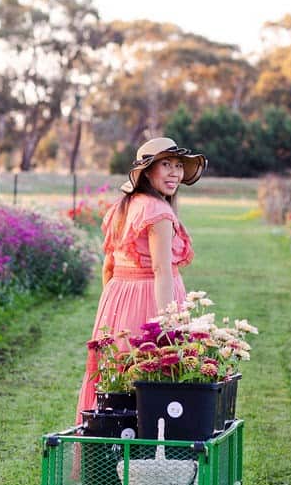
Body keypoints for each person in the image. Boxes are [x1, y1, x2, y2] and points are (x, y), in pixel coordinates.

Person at [76, 137, 207, 418]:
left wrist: (113, 311)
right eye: (166, 165)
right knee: (153, 376)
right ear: (147, 171)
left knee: (117, 376)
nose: (174, 173)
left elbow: (108, 266)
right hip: (150, 299)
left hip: (118, 299)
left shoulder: (124, 206)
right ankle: (148, 453)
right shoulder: (157, 211)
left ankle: (108, 450)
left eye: (178, 166)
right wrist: (167, 323)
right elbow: (160, 269)